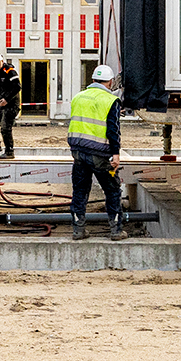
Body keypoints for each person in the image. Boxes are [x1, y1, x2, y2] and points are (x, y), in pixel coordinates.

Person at [67, 63, 133, 239]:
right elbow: (113, 130)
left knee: (80, 191)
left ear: (93, 79)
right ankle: (116, 231)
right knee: (112, 190)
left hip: (79, 153)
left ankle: (78, 230)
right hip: (100, 155)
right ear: (110, 82)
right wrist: (116, 154)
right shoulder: (110, 100)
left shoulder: (78, 97)